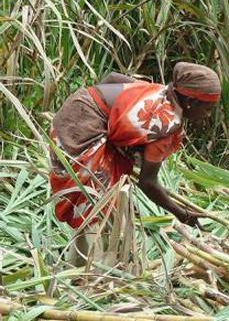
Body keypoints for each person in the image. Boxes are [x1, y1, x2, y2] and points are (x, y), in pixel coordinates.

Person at [49, 62, 220, 264]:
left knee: (104, 196)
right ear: (191, 102)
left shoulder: (159, 92)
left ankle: (86, 264)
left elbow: (112, 77)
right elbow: (147, 182)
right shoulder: (165, 125)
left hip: (80, 102)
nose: (207, 115)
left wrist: (115, 121)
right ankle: (90, 269)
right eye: (207, 109)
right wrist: (182, 214)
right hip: (80, 127)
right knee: (98, 201)